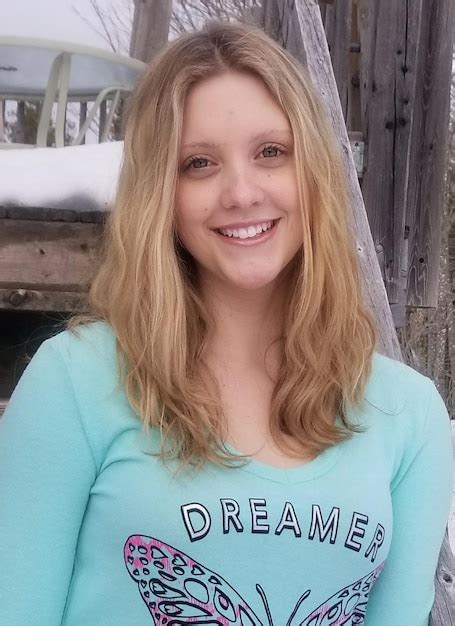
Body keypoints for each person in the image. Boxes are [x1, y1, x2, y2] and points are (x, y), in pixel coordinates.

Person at [0, 21, 452, 626]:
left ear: (312, 172)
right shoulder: (75, 383)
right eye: (199, 163)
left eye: (271, 152)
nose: (241, 192)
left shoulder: (411, 416)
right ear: (162, 194)